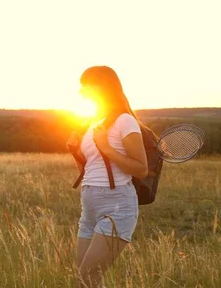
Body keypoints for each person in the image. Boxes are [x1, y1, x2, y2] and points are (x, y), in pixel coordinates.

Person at [66, 66, 149, 288]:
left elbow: (141, 169)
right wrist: (75, 152)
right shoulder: (93, 122)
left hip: (117, 205)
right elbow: (92, 167)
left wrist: (107, 148)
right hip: (89, 206)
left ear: (101, 87)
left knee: (88, 276)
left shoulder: (124, 121)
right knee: (86, 280)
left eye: (86, 85)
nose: (81, 92)